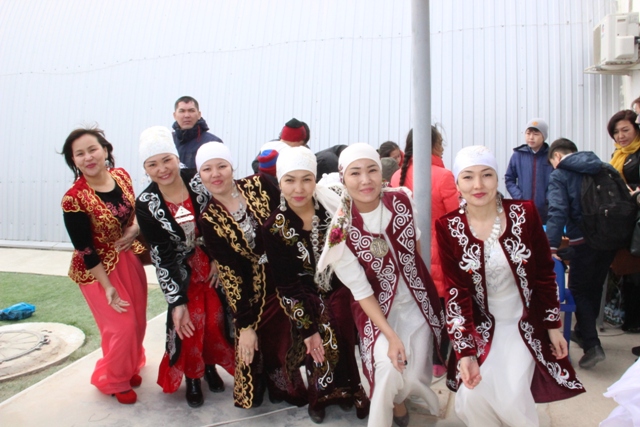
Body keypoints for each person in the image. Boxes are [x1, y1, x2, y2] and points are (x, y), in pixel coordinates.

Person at [436, 145, 584, 427]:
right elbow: (456, 292)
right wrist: (464, 351)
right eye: (468, 177)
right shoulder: (449, 227)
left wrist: (553, 326)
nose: (478, 185)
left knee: (512, 395)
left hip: (524, 322)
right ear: (457, 184)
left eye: (486, 175)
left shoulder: (524, 214)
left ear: (497, 178)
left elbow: (545, 275)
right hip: (481, 326)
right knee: (473, 396)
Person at [318, 143, 445, 427]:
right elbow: (361, 292)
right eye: (355, 173)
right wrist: (390, 335)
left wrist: (419, 284)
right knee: (387, 367)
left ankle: (400, 397)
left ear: (381, 172)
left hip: (416, 302)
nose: (365, 180)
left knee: (414, 373)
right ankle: (389, 411)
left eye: (372, 170)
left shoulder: (402, 200)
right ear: (343, 178)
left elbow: (415, 246)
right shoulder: (340, 232)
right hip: (376, 309)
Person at [196, 142, 308, 409]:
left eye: (221, 166)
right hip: (255, 288)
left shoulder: (260, 184)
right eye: (207, 169)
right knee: (257, 343)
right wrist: (244, 324)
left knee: (288, 331)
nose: (215, 174)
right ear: (199, 175)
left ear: (232, 166)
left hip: (290, 271)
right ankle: (270, 380)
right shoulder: (209, 219)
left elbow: (291, 215)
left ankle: (286, 382)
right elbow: (230, 272)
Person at [262, 147, 370, 423]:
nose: (299, 189)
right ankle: (320, 396)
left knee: (344, 335)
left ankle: (351, 389)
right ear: (279, 182)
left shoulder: (332, 207)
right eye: (290, 180)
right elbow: (286, 284)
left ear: (315, 180)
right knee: (319, 343)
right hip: (304, 294)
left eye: (306, 179)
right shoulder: (274, 227)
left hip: (342, 286)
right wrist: (307, 329)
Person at [135, 126, 235, 407]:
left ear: (176, 157)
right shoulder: (146, 203)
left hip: (211, 265)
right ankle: (193, 376)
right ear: (145, 169)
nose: (162, 169)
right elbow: (161, 252)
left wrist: (218, 258)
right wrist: (176, 300)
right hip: (181, 273)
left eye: (166, 160)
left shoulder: (197, 180)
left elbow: (220, 219)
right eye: (152, 164)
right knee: (189, 324)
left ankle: (210, 367)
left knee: (216, 321)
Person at [61, 126, 148, 404]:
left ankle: (128, 367)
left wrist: (134, 228)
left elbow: (136, 211)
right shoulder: (73, 199)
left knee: (137, 322)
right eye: (80, 154)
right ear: (73, 160)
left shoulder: (121, 176)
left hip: (127, 258)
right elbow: (85, 249)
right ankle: (112, 379)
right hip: (96, 271)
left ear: (105, 150)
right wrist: (107, 286)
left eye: (92, 149)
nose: (88, 157)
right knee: (121, 327)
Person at [390, 127, 459, 378]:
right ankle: (438, 360)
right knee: (441, 306)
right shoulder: (443, 176)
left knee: (415, 306)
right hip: (440, 252)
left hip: (408, 250)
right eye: (441, 142)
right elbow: (455, 218)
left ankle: (414, 356)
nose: (443, 147)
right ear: (433, 145)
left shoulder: (397, 176)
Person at [607, 110, 640, 358]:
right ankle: (632, 320)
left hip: (637, 219)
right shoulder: (618, 155)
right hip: (626, 220)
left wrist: (634, 192)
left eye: (625, 130)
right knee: (630, 272)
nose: (621, 136)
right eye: (616, 132)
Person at [505, 118, 553, 223]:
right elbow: (509, 179)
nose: (531, 137)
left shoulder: (551, 156)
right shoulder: (518, 155)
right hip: (522, 208)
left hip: (545, 210)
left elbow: (556, 182)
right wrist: (519, 197)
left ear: (543, 136)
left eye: (536, 134)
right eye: (528, 133)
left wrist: (547, 200)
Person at [172, 96, 223, 169]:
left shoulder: (213, 143)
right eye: (182, 111)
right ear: (174, 115)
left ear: (199, 114)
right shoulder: (168, 142)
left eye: (191, 111)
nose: (187, 115)